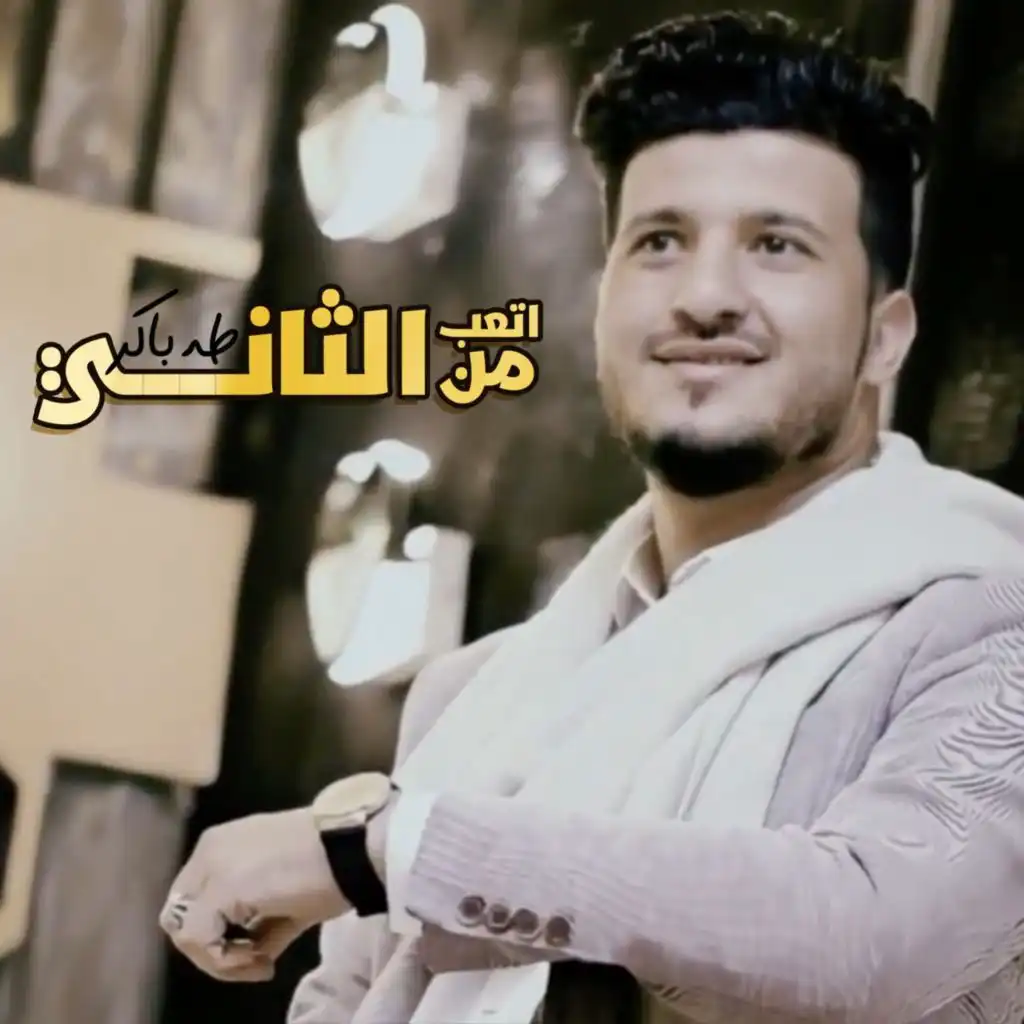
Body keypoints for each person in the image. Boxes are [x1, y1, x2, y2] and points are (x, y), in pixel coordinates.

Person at [159, 12, 1024, 1023]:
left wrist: (391, 848)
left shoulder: (987, 627)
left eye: (776, 246)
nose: (707, 295)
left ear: (885, 337)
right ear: (603, 302)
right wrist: (392, 847)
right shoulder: (472, 698)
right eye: (660, 242)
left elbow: (868, 939)